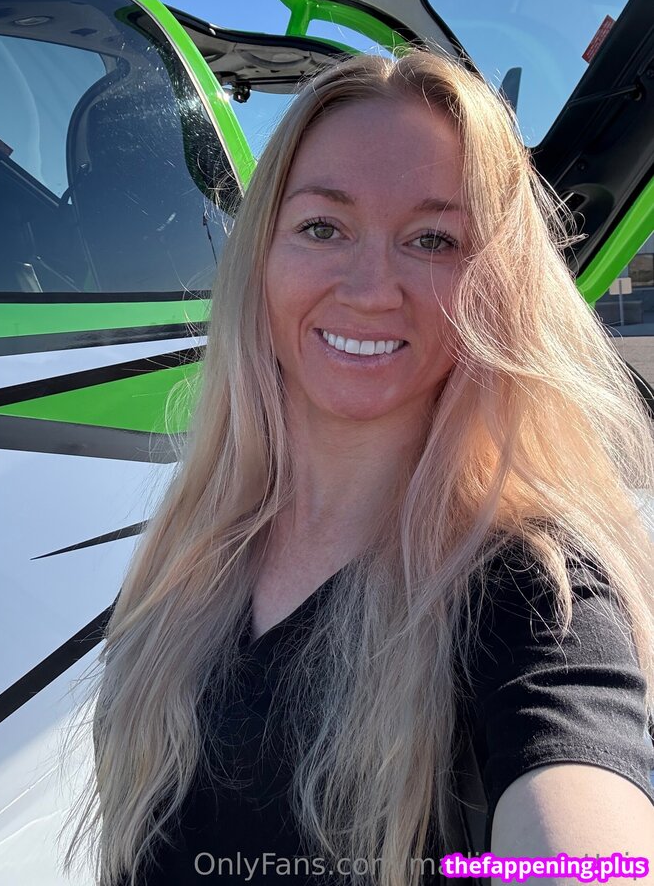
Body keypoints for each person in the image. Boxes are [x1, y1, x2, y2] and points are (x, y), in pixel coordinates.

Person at [61, 49, 654, 886]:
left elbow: (591, 844)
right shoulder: (196, 545)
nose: (372, 289)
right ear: (261, 258)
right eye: (323, 228)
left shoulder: (531, 590)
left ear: (496, 286)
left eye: (433, 239)